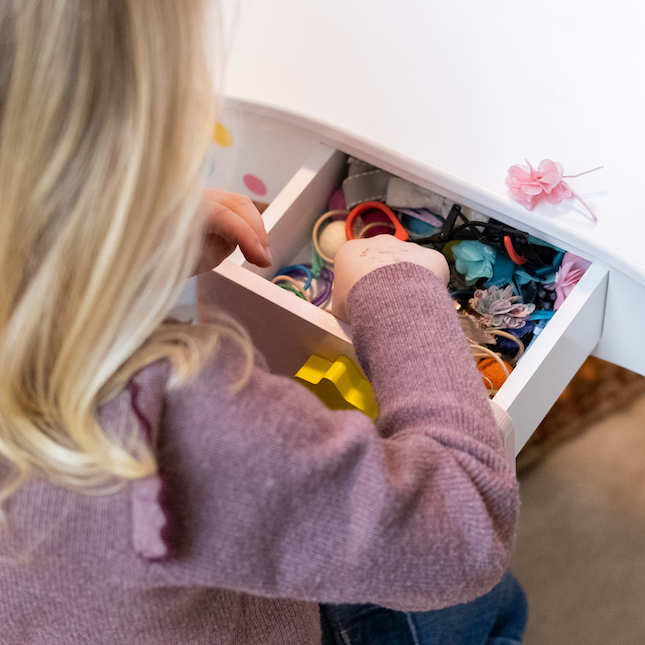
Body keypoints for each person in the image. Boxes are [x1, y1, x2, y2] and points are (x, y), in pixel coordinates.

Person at [0, 1, 525, 643]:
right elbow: (466, 529)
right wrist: (399, 296)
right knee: (493, 604)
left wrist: (112, 250)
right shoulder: (177, 418)